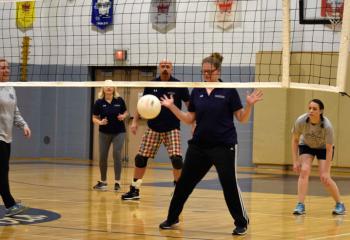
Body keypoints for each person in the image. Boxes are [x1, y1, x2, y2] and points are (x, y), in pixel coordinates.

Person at [158, 53, 263, 235]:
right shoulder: (197, 91)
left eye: (209, 71)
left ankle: (241, 222)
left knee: (229, 184)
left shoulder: (229, 90)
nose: (206, 75)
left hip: (224, 146)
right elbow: (190, 118)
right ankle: (172, 217)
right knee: (183, 183)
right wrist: (172, 107)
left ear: (218, 71)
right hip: (199, 146)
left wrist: (249, 105)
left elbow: (242, 119)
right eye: (203, 72)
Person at [121, 59, 190, 200]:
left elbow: (190, 105)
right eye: (163, 66)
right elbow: (142, 104)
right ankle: (134, 190)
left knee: (177, 160)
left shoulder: (179, 85)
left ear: (172, 68)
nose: (165, 68)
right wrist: (134, 121)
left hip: (172, 129)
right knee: (140, 159)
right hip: (153, 128)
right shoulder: (152, 84)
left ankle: (178, 193)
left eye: (168, 66)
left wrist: (194, 123)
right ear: (159, 68)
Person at [291, 99, 346, 215]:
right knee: (304, 171)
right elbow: (295, 140)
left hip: (323, 148)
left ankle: (339, 204)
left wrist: (326, 171)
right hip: (306, 145)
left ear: (320, 111)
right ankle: (300, 205)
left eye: (314, 109)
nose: (311, 111)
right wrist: (295, 161)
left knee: (324, 178)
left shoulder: (327, 126)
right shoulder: (301, 121)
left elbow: (329, 149)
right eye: (309, 108)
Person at [0, 58, 31, 216]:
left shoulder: (10, 88)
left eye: (7, 67)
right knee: (2, 171)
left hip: (7, 137)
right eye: (2, 68)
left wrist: (24, 125)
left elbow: (15, 112)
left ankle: (9, 201)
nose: (5, 70)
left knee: (4, 170)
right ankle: (10, 204)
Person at [92, 80, 128, 191]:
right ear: (103, 89)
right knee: (102, 156)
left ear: (114, 88)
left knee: (116, 154)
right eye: (106, 86)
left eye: (111, 86)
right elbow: (94, 118)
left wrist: (123, 116)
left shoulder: (119, 100)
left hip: (119, 132)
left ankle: (117, 182)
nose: (109, 88)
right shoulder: (99, 102)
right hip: (104, 132)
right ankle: (103, 182)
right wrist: (100, 122)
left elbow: (126, 112)